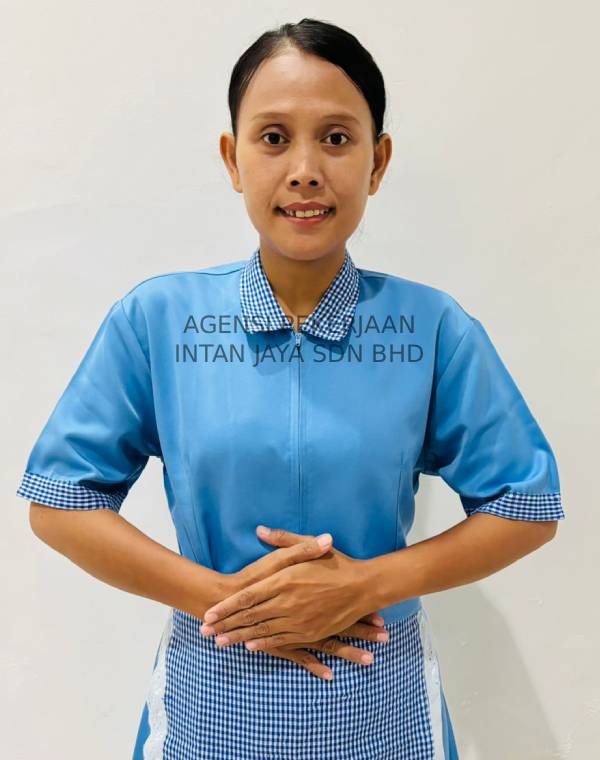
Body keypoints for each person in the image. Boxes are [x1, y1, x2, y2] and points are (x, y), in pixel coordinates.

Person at [16, 18, 565, 760]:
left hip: (383, 704)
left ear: (378, 161)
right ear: (232, 158)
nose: (305, 170)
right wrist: (232, 603)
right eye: (273, 138)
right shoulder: (157, 321)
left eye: (336, 138)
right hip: (209, 702)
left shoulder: (433, 329)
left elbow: (526, 507)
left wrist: (364, 585)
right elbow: (60, 502)